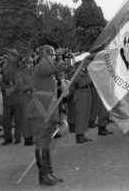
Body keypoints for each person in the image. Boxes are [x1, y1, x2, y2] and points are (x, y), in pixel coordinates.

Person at [26, 45, 85, 186]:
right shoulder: (41, 67)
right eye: (52, 55)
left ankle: (48, 172)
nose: (54, 57)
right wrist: (74, 60)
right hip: (40, 112)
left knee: (46, 143)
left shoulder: (47, 71)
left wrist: (61, 88)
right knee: (41, 143)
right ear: (45, 56)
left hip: (47, 111)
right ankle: (43, 175)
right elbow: (56, 68)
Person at [0, 48, 22, 145]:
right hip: (7, 97)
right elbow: (2, 81)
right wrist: (5, 89)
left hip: (17, 96)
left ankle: (18, 137)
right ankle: (7, 138)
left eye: (12, 55)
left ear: (15, 57)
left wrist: (14, 88)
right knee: (6, 119)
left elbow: (21, 81)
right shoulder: (5, 68)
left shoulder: (19, 67)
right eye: (9, 55)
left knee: (18, 119)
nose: (9, 56)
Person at [14, 56, 34, 146]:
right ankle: (27, 138)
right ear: (24, 64)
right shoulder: (19, 75)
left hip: (33, 98)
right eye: (29, 63)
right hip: (24, 99)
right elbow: (21, 87)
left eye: (32, 63)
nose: (31, 65)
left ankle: (33, 136)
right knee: (26, 119)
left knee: (34, 118)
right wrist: (33, 86)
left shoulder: (32, 73)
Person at [72, 62, 93, 144]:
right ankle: (79, 136)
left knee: (86, 115)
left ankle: (82, 134)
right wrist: (91, 78)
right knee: (81, 115)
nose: (85, 64)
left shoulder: (84, 71)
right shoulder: (75, 72)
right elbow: (80, 83)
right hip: (80, 93)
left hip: (86, 92)